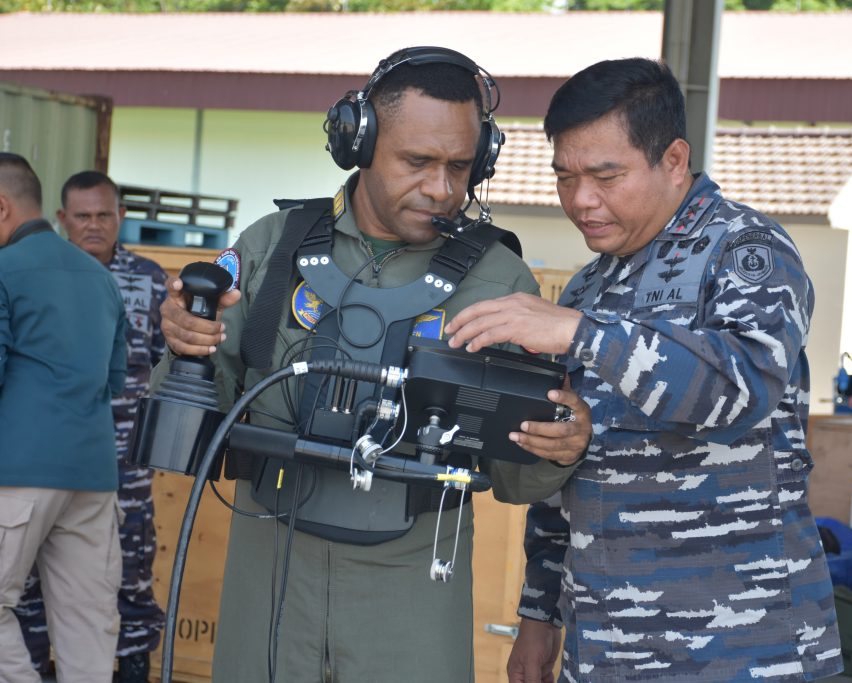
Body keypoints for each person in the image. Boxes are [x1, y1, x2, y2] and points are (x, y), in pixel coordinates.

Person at [155, 47, 591, 682]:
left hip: (411, 591)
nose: (442, 189)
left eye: (460, 167)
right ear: (357, 142)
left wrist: (562, 444)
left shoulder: (500, 280)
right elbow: (195, 417)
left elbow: (518, 479)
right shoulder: (271, 249)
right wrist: (184, 345)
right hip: (269, 573)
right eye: (417, 162)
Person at [445, 57, 843, 682]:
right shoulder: (587, 288)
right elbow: (565, 468)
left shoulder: (744, 252)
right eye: (565, 177)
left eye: (606, 176)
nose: (581, 200)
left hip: (743, 649)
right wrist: (538, 618)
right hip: (606, 645)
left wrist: (579, 333)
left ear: (674, 160)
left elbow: (739, 389)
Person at [12, 171, 168, 682]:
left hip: (63, 468)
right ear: (60, 217)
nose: (95, 225)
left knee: (116, 593)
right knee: (71, 613)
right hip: (85, 466)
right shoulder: (82, 276)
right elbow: (114, 374)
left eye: (105, 215)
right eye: (83, 216)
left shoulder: (6, 269)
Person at [0, 153, 127, 682]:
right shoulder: (99, 278)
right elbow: (115, 381)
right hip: (93, 477)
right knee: (87, 624)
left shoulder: (4, 270)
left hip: (18, 472)